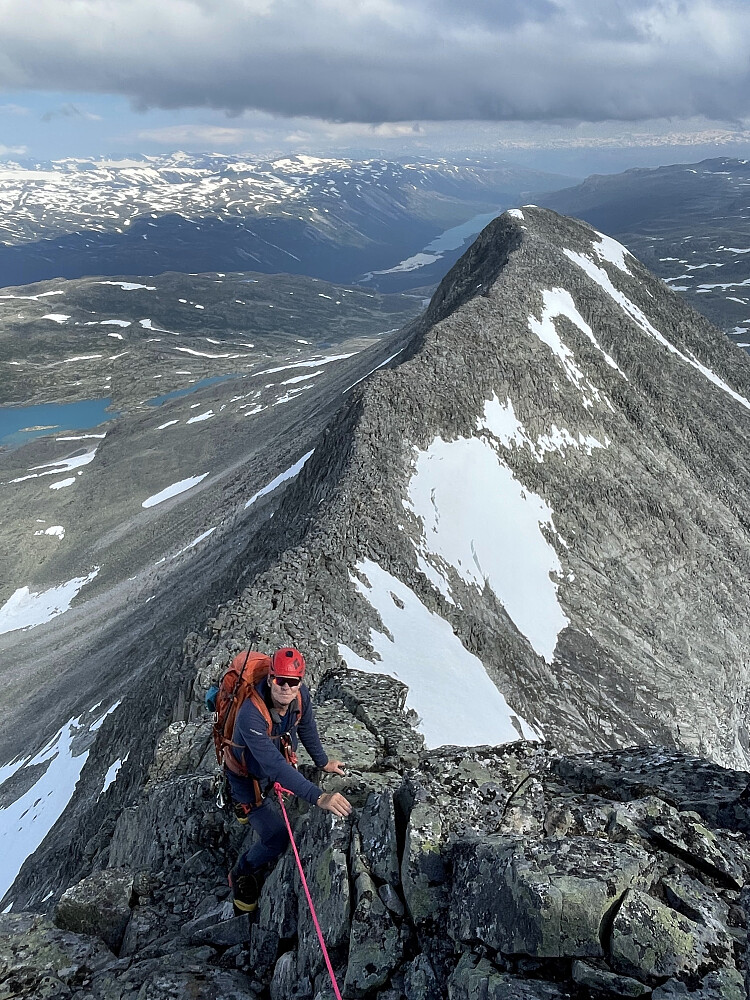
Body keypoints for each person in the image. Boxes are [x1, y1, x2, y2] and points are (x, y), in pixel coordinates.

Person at [225, 646, 352, 913]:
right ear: (270, 679)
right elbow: (275, 766)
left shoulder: (301, 698)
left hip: (268, 766)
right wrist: (319, 796)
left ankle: (248, 809)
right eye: (279, 680)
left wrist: (322, 762)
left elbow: (306, 727)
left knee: (274, 784)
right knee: (278, 837)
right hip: (246, 777)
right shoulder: (250, 714)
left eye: (292, 682)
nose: (285, 687)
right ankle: (242, 871)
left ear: (300, 683)